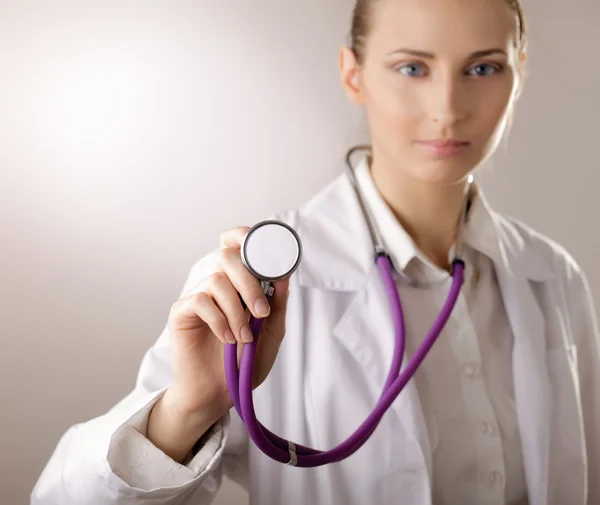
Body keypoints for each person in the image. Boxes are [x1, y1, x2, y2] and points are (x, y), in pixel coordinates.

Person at [31, 0, 600, 503]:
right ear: (354, 77)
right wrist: (189, 407)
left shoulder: (553, 278)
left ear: (519, 71)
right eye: (412, 67)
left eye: (483, 67)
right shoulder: (250, 286)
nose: (447, 107)